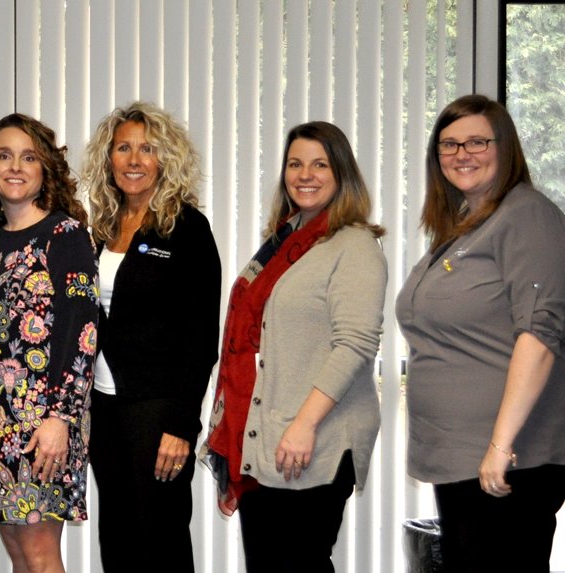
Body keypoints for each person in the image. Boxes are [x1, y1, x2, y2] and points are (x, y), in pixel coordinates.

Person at [201, 121, 386, 572]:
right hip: (265, 436)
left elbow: (355, 344)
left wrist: (305, 425)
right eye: (295, 164)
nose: (305, 175)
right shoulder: (286, 241)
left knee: (299, 563)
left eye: (320, 164)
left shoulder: (355, 245)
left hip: (314, 436)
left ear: (342, 173)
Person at [397, 95, 565, 573]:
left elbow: (540, 335)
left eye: (476, 142)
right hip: (461, 458)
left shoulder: (526, 215)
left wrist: (499, 446)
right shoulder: (468, 226)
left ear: (504, 147)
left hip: (509, 461)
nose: (461, 154)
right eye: (449, 144)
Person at [0, 113, 99, 573]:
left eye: (29, 157)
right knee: (17, 552)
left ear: (45, 168)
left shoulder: (65, 235)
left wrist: (60, 418)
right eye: (4, 155)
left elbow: (82, 333)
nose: (15, 166)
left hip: (41, 423)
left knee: (39, 555)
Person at [79, 102, 221, 572]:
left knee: (160, 540)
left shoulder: (187, 228)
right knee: (117, 538)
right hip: (103, 407)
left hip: (157, 411)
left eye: (147, 149)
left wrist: (181, 426)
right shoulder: (102, 226)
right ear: (109, 158)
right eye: (123, 148)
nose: (134, 159)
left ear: (165, 159)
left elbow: (201, 339)